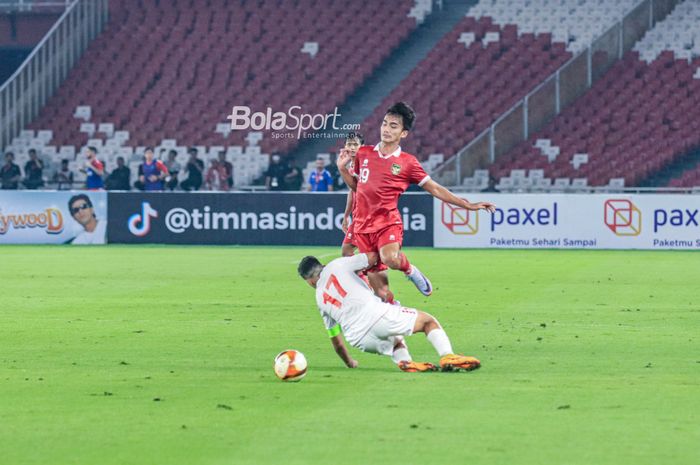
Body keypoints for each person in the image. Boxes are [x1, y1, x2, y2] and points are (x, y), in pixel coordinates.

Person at [337, 102, 496, 296]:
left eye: (393, 126)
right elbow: (357, 187)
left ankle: (411, 271)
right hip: (363, 225)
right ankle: (391, 311)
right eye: (384, 123)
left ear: (403, 133)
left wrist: (467, 205)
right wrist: (343, 169)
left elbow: (435, 189)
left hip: (387, 222)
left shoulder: (408, 163)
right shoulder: (364, 153)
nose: (386, 129)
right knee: (382, 293)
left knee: (390, 258)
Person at [297, 254, 481, 372]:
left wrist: (349, 362)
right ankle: (448, 355)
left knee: (395, 340)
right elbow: (371, 258)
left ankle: (405, 362)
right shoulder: (338, 264)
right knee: (428, 322)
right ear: (322, 265)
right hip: (376, 316)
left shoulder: (319, 299)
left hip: (358, 339)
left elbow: (336, 341)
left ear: (310, 281)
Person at [340, 132, 396, 304]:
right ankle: (370, 288)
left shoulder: (368, 163)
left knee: (371, 260)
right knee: (347, 252)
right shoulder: (352, 166)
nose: (351, 147)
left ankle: (379, 293)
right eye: (348, 144)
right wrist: (347, 215)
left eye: (354, 144)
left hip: (371, 218)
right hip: (358, 217)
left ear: (362, 147)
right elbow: (353, 191)